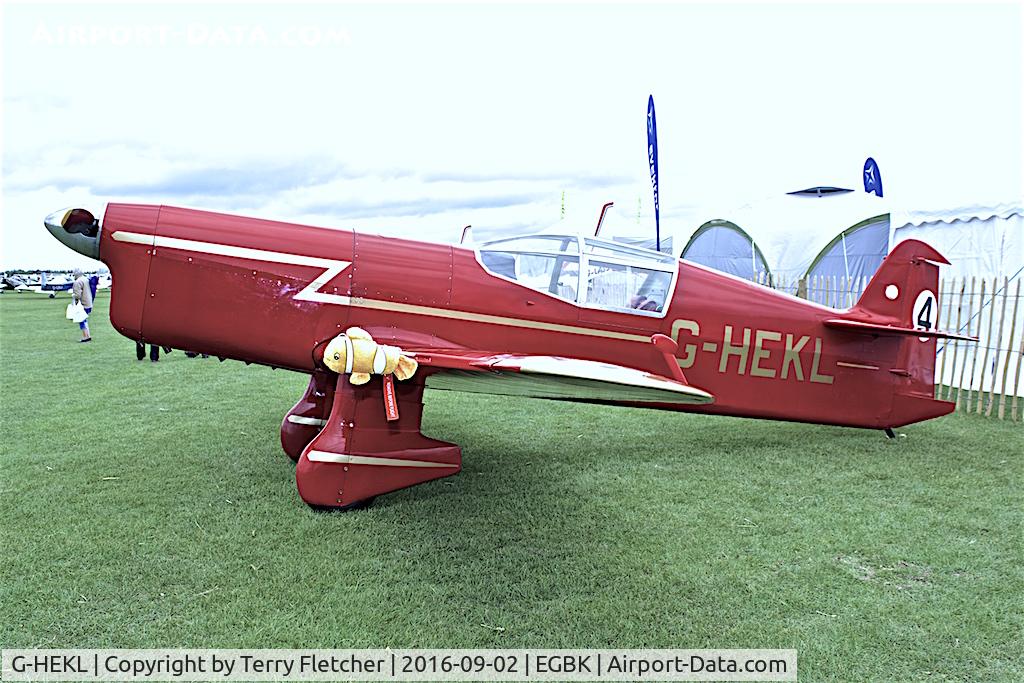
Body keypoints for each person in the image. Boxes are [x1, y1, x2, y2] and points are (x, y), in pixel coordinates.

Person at [71, 268, 93, 343]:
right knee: (84, 320)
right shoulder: (85, 279)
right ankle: (88, 335)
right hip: (88, 302)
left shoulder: (77, 282)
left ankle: (86, 336)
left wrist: (73, 297)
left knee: (82, 320)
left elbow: (77, 295)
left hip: (82, 304)